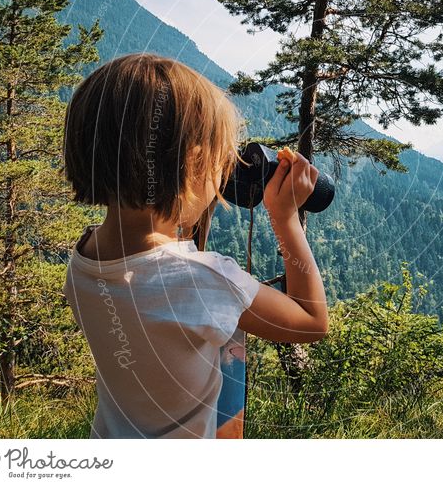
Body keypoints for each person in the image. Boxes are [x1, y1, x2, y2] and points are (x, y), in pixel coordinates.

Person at [61, 52, 328, 438]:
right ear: (193, 166)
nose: (222, 179)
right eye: (221, 165)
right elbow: (311, 321)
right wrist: (284, 215)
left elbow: (157, 261)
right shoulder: (205, 280)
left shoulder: (86, 256)